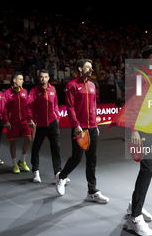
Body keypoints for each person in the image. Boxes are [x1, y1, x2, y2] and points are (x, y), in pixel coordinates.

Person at [124, 45, 152, 236]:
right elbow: (131, 103)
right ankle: (134, 217)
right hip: (142, 131)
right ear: (151, 57)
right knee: (147, 169)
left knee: (148, 170)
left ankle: (135, 206)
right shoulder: (138, 77)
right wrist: (134, 130)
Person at [56, 59, 109, 204]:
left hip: (92, 127)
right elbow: (70, 107)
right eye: (88, 67)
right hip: (80, 128)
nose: (91, 70)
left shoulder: (92, 85)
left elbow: (93, 105)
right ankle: (61, 177)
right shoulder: (71, 85)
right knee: (77, 158)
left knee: (92, 159)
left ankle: (92, 191)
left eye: (92, 67)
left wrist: (96, 124)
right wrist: (76, 125)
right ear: (80, 68)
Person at [28, 69, 66, 183]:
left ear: (48, 78)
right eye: (41, 77)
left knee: (56, 149)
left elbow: (55, 105)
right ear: (38, 78)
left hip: (53, 124)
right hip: (39, 125)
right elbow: (29, 107)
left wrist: (57, 118)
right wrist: (30, 119)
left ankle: (57, 174)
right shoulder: (34, 91)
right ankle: (35, 171)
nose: (43, 79)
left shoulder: (53, 89)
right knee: (35, 149)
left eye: (45, 77)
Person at [2, 72, 34, 173]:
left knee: (28, 139)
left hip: (24, 121)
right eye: (20, 79)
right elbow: (3, 109)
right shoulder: (7, 93)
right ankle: (14, 163)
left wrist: (30, 119)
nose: (23, 81)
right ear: (14, 80)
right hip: (13, 122)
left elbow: (28, 107)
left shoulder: (24, 92)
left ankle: (22, 160)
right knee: (13, 143)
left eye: (22, 79)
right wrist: (6, 120)